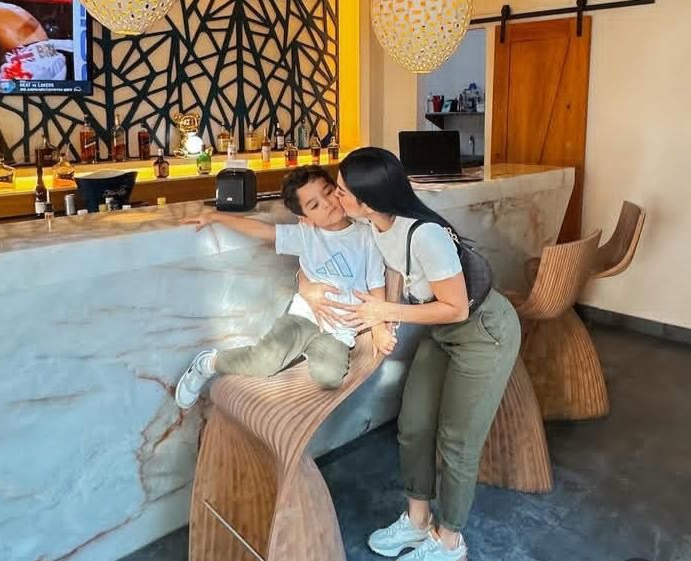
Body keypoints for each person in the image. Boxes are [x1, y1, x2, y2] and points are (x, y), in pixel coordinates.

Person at [298, 148, 521, 561]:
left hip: (482, 332)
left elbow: (456, 308)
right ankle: (418, 521)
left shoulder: (425, 234)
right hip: (442, 332)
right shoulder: (377, 223)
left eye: (340, 192)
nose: (334, 199)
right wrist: (382, 317)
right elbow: (393, 266)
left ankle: (449, 540)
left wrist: (386, 311)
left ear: (368, 202)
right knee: (414, 425)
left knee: (457, 441)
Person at [174, 164, 396, 409]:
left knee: (329, 377)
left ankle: (306, 348)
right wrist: (215, 216)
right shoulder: (306, 235)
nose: (327, 204)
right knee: (264, 363)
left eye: (328, 192)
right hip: (303, 318)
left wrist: (379, 327)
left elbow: (376, 282)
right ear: (305, 217)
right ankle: (208, 363)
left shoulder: (366, 234)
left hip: (338, 330)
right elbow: (262, 231)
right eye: (314, 205)